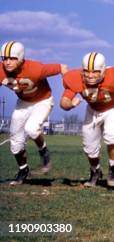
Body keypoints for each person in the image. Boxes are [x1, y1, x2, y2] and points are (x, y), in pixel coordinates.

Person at [61, 52, 114, 188]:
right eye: (86, 71)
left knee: (112, 135)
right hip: (93, 110)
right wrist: (70, 104)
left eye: (95, 72)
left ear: (103, 70)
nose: (90, 76)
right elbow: (64, 102)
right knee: (90, 148)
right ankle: (95, 172)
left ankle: (113, 169)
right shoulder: (74, 78)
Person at [1, 41, 67, 185]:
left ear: (20, 57)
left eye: (12, 58)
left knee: (31, 129)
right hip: (23, 103)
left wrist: (68, 90)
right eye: (4, 58)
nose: (7, 62)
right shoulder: (1, 70)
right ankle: (23, 169)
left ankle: (43, 151)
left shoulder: (36, 68)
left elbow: (63, 67)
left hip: (42, 101)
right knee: (15, 144)